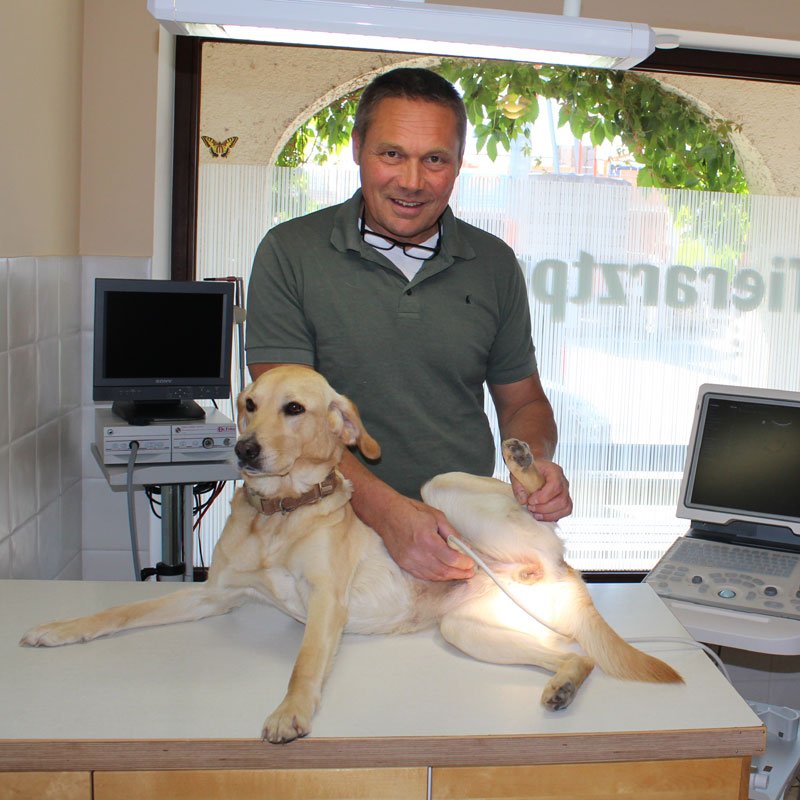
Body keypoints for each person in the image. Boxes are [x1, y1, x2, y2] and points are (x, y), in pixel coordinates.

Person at [245, 67, 572, 582]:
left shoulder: (494, 264)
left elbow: (523, 402)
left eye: (434, 159)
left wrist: (533, 466)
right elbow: (287, 419)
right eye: (391, 154)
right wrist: (388, 513)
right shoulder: (289, 253)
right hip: (319, 526)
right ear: (357, 148)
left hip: (457, 534)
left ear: (459, 164)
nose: (412, 181)